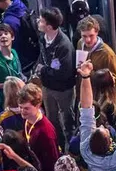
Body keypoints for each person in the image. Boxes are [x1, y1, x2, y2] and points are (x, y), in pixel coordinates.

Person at [36, 7, 76, 150]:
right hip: (48, 86)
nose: (38, 22)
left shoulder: (64, 45)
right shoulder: (42, 37)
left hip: (63, 89)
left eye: (41, 21)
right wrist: (40, 67)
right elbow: (42, 57)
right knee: (52, 118)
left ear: (49, 26)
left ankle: (70, 149)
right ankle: (56, 145)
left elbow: (63, 73)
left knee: (67, 119)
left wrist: (43, 70)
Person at [17, 83, 60, 171]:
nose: (22, 111)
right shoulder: (28, 119)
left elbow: (52, 162)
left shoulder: (46, 132)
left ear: (38, 105)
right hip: (32, 168)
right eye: (20, 107)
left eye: (26, 108)